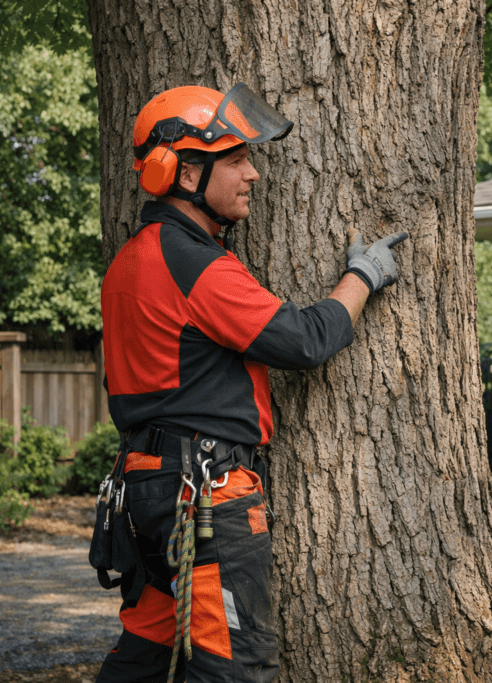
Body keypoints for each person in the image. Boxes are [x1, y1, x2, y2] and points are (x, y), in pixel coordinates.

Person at [96, 83, 408, 683]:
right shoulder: (195, 264)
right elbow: (303, 340)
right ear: (187, 173)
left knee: (144, 656)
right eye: (236, 159)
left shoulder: (129, 261)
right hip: (204, 493)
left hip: (147, 491)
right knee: (233, 667)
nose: (254, 173)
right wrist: (362, 277)